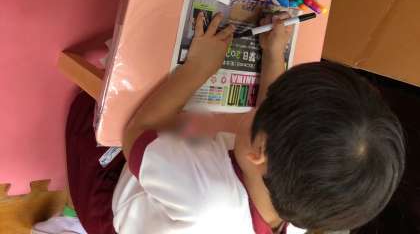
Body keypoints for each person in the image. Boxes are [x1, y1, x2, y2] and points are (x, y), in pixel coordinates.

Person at [57, 14, 405, 234]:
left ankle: (71, 221)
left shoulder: (209, 199)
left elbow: (137, 132)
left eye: (264, 108)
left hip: (109, 203)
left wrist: (199, 68)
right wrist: (273, 56)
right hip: (184, 178)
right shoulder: (300, 208)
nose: (263, 104)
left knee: (95, 108)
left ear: (259, 150)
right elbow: (275, 125)